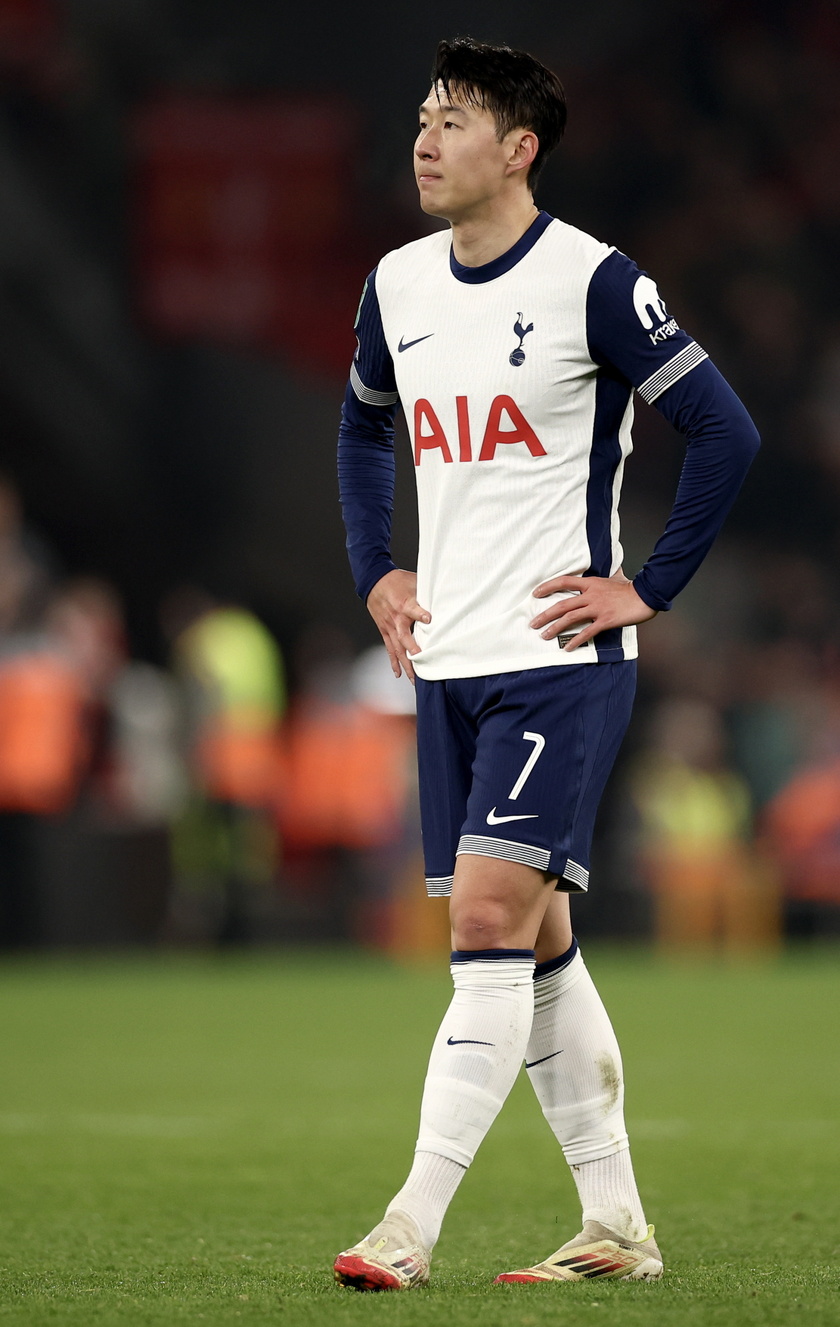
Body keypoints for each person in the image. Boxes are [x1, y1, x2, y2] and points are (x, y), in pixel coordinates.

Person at [334, 37, 759, 1290]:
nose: (423, 138)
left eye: (452, 120)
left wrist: (649, 584)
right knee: (539, 942)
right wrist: (378, 565)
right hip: (448, 660)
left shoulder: (593, 282)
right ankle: (617, 1224)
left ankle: (408, 1225)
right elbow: (363, 429)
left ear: (519, 149)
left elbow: (724, 431)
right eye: (420, 115)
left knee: (480, 922)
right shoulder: (397, 285)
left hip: (559, 660)